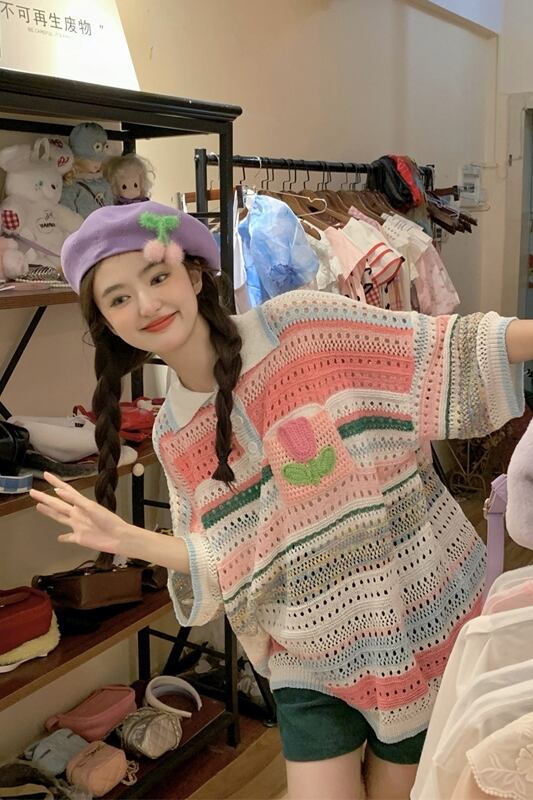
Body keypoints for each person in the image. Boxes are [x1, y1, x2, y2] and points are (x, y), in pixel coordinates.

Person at [32, 201, 531, 800]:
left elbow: (440, 350)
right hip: (306, 650)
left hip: (418, 616)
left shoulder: (299, 326)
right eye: (118, 299)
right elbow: (223, 559)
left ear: (194, 275)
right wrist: (126, 539)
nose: (146, 304)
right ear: (109, 324)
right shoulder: (173, 435)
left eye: (157, 276)